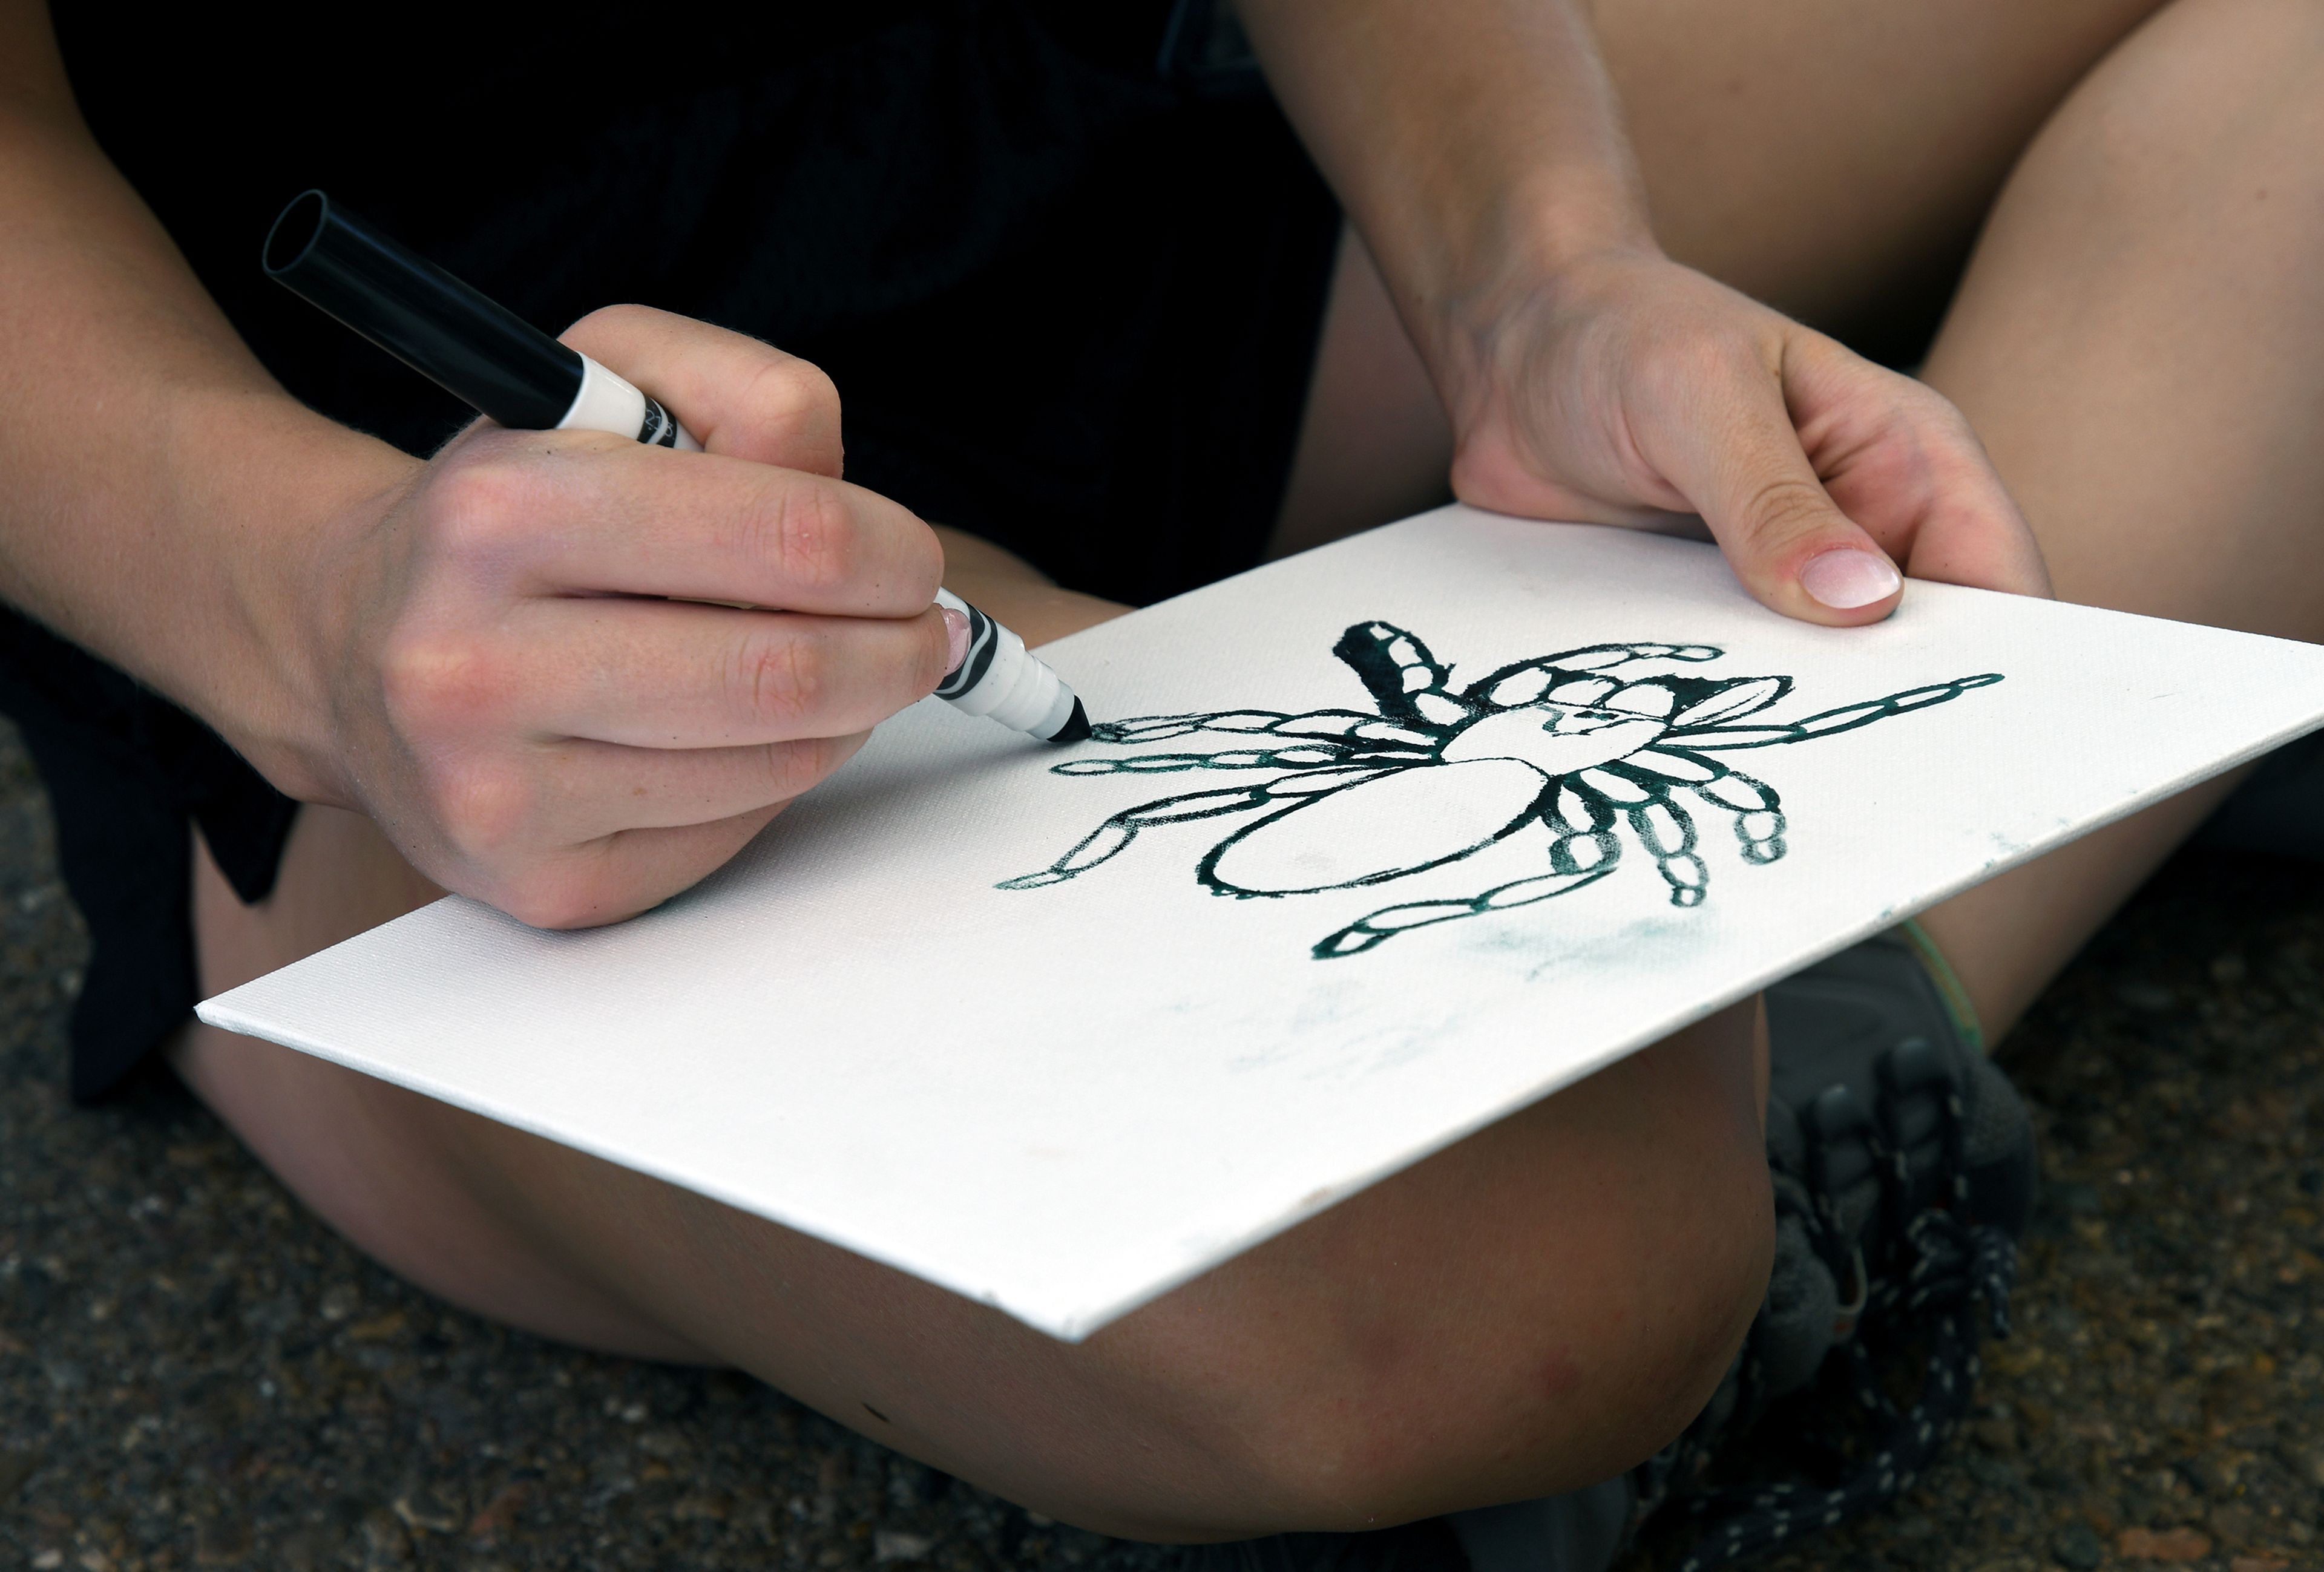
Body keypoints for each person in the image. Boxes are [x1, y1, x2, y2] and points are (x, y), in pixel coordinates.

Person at [1, 0, 2317, 1565]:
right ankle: (1912, 943)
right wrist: (305, 600)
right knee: (1517, 1287)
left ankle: (1824, 1022)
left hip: (1071, 124)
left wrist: (1540, 273)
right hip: (408, 486)